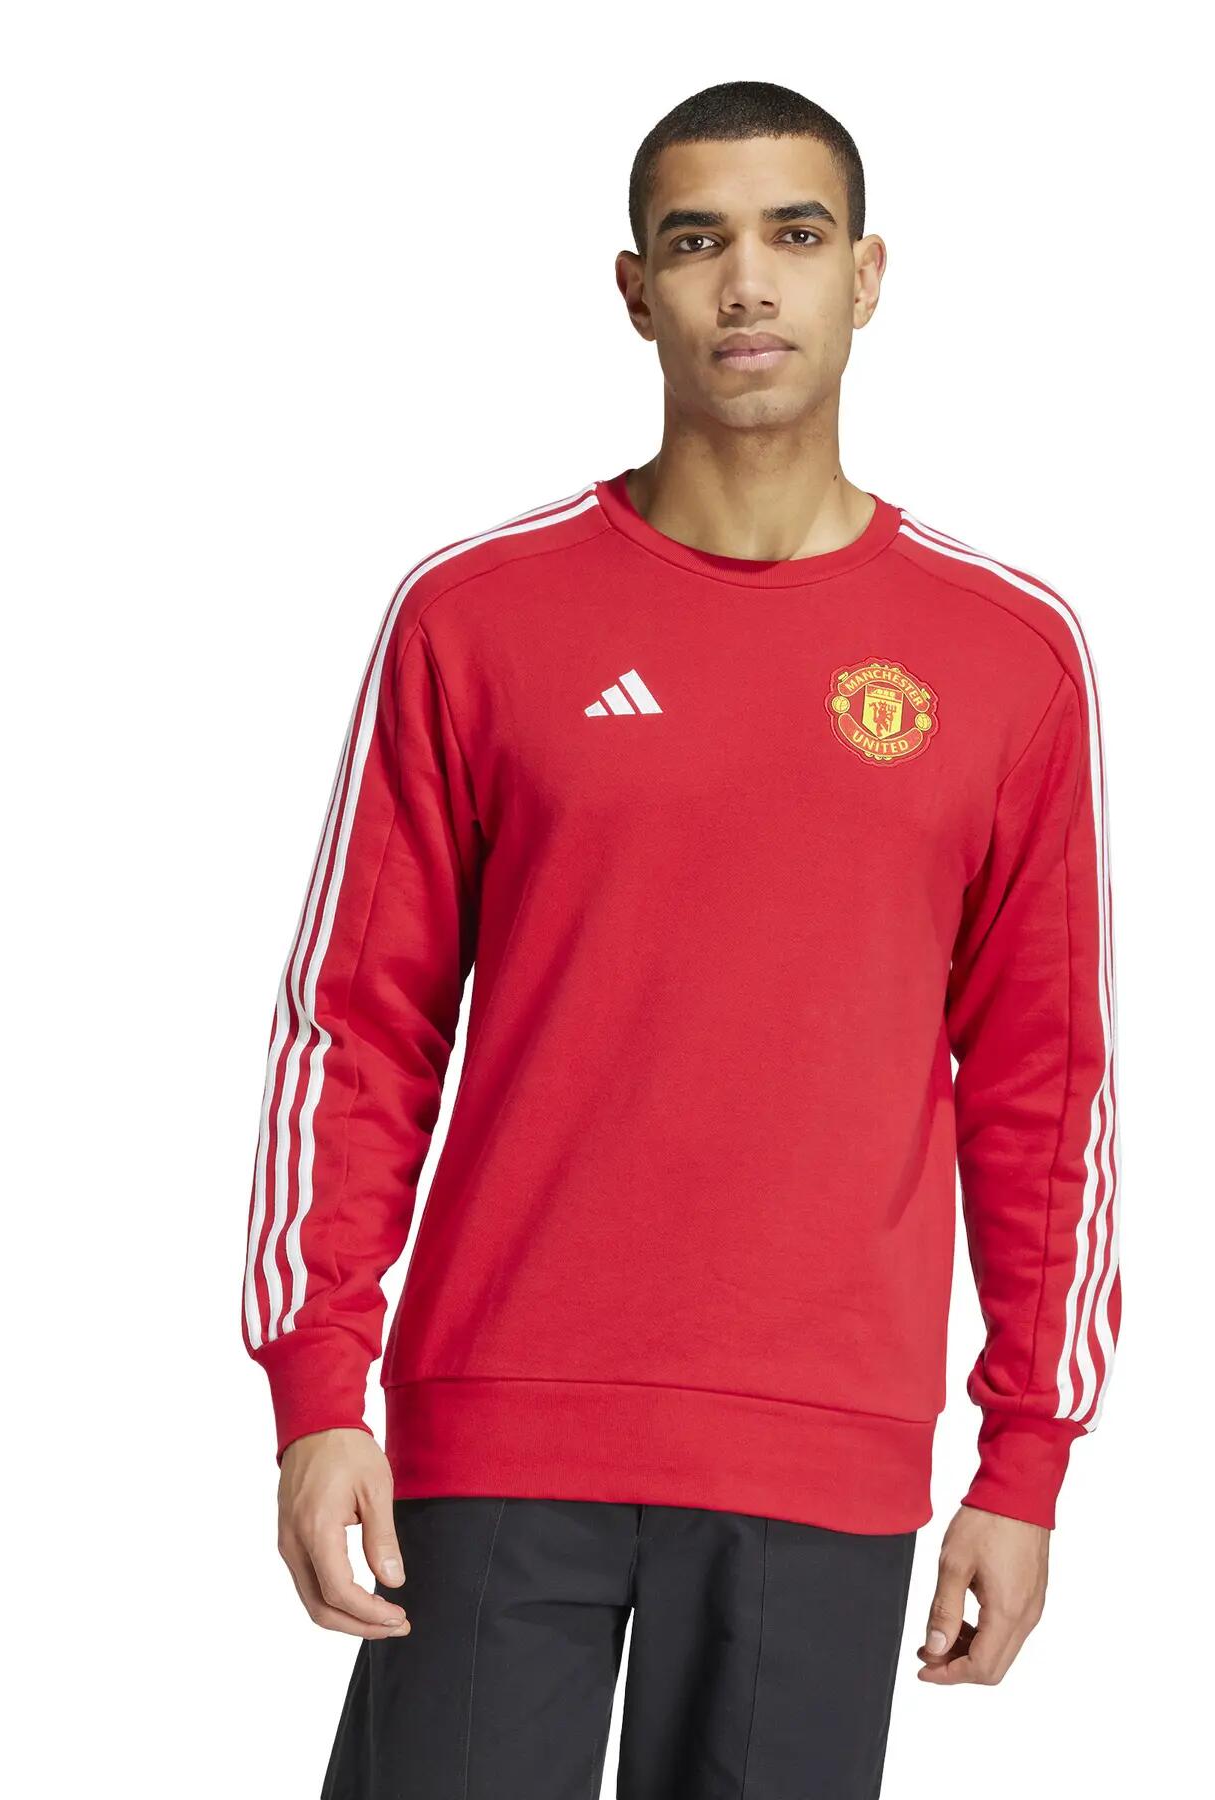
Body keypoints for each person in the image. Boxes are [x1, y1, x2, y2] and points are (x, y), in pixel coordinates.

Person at [241, 78, 1120, 1800]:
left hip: (822, 1445)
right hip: (498, 1427)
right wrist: (319, 1388)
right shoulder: (475, 617)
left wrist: (1026, 1456)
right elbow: (357, 1025)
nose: (748, 282)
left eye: (795, 235)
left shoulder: (1006, 653)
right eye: (699, 241)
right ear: (635, 290)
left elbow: (1045, 1086)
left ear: (867, 275)